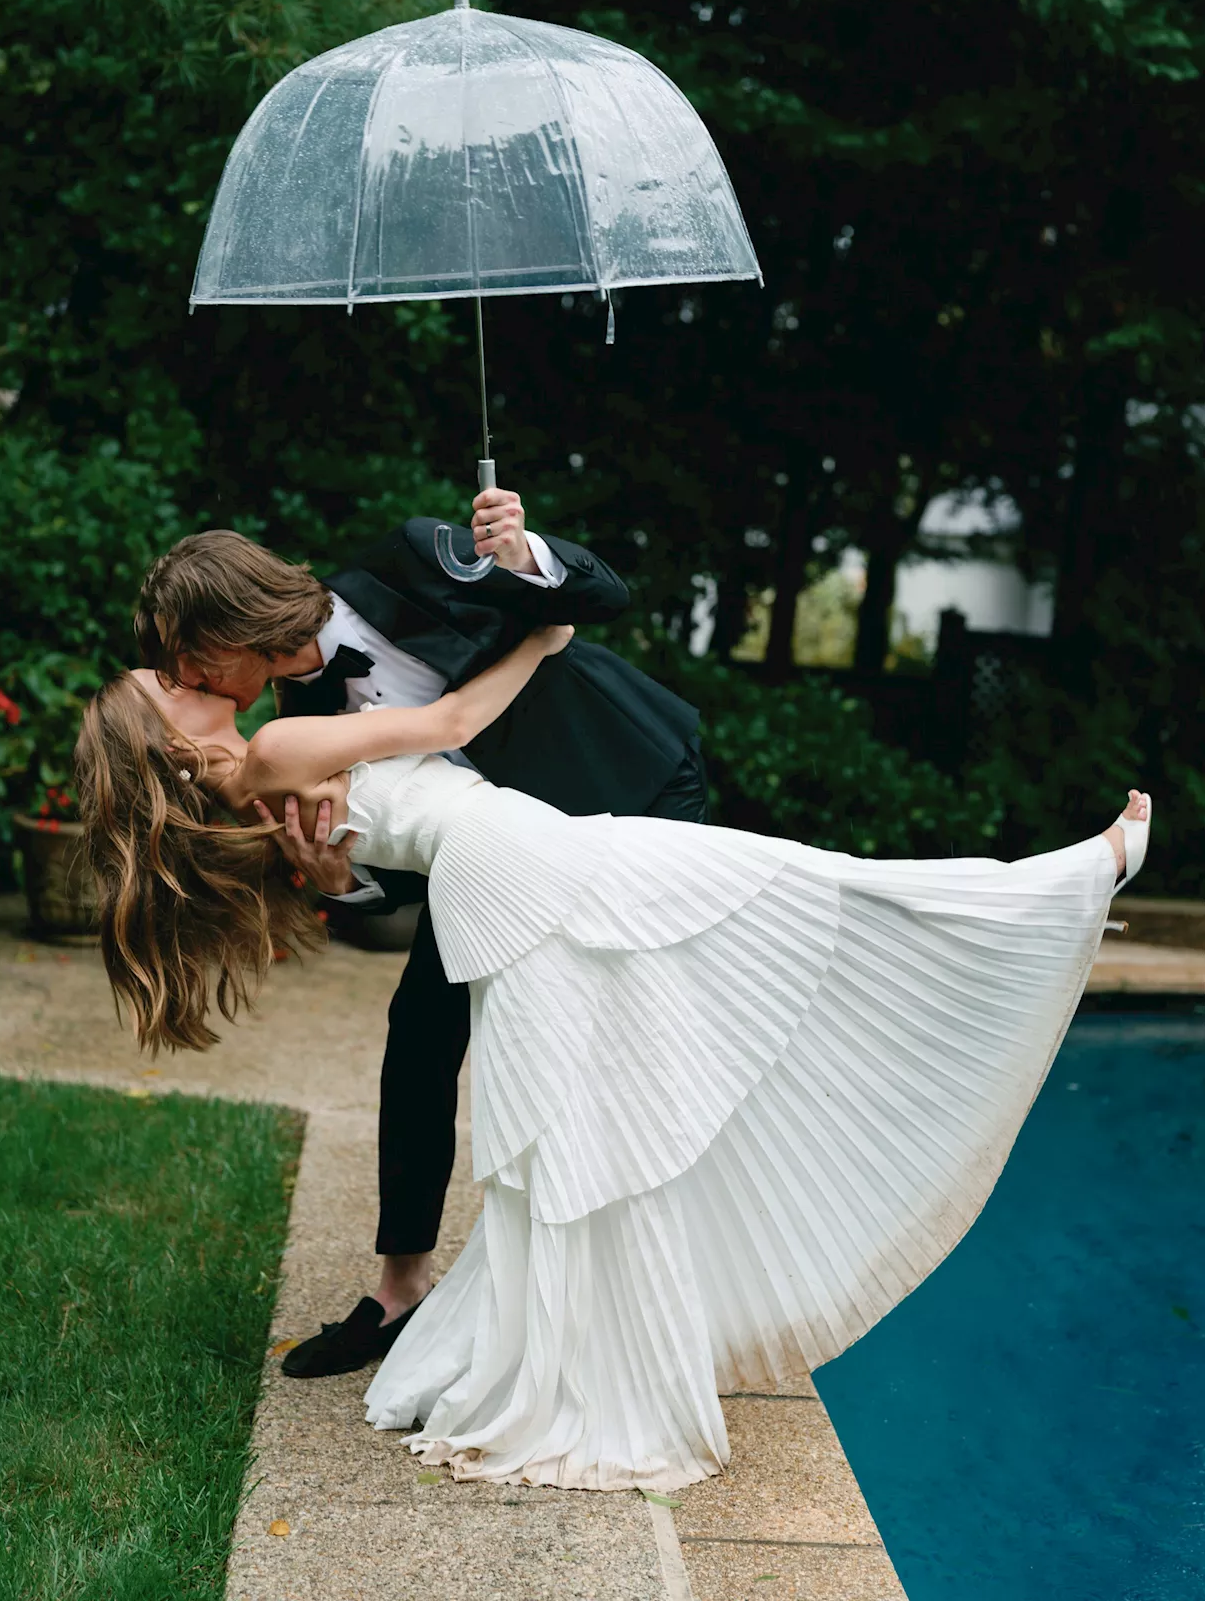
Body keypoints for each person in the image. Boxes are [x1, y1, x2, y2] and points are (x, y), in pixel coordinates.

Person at [75, 628, 1151, 1493]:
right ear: (167, 737)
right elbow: (452, 720)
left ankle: (1053, 887)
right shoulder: (267, 754)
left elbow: (343, 853)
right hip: (512, 855)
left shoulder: (255, 769)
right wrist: (538, 638)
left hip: (508, 858)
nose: (184, 671)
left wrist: (321, 855)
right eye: (166, 683)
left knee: (633, 1051)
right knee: (787, 889)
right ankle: (1054, 888)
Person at [131, 493, 707, 1377]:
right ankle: (401, 1292)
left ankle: (642, 1285)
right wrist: (338, 880)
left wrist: (525, 559)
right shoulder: (288, 721)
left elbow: (604, 597)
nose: (195, 687)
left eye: (192, 666)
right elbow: (391, 859)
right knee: (421, 1035)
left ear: (234, 629)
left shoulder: (408, 560)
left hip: (627, 775)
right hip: (492, 856)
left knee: (629, 1037)